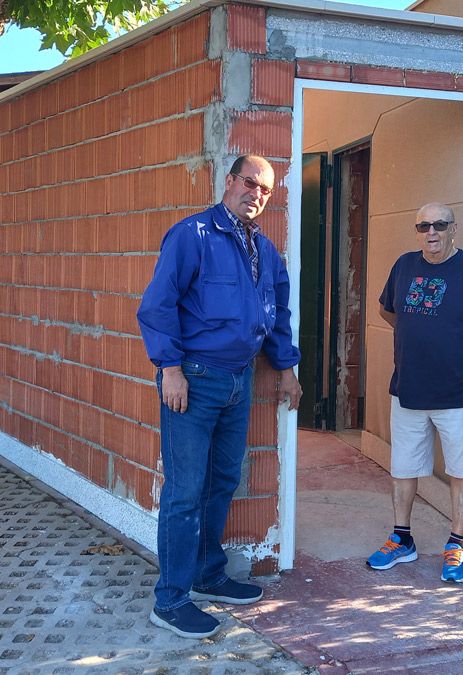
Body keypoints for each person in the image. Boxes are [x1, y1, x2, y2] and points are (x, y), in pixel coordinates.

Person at [137, 154, 302, 639]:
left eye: (266, 189)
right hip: (193, 378)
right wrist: (169, 367)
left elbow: (277, 312)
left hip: (238, 380)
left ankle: (208, 574)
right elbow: (158, 304)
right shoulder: (193, 236)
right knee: (185, 490)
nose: (257, 194)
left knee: (224, 479)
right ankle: (170, 600)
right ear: (229, 181)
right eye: (249, 182)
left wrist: (287, 368)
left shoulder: (264, 248)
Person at [366, 202, 463, 583]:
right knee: (403, 469)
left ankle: (455, 544)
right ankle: (402, 539)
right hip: (408, 390)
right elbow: (389, 311)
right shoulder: (404, 265)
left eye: (439, 225)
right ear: (417, 231)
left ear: (453, 229)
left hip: (458, 394)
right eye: (423, 226)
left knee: (462, 472)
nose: (431, 232)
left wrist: (462, 344)